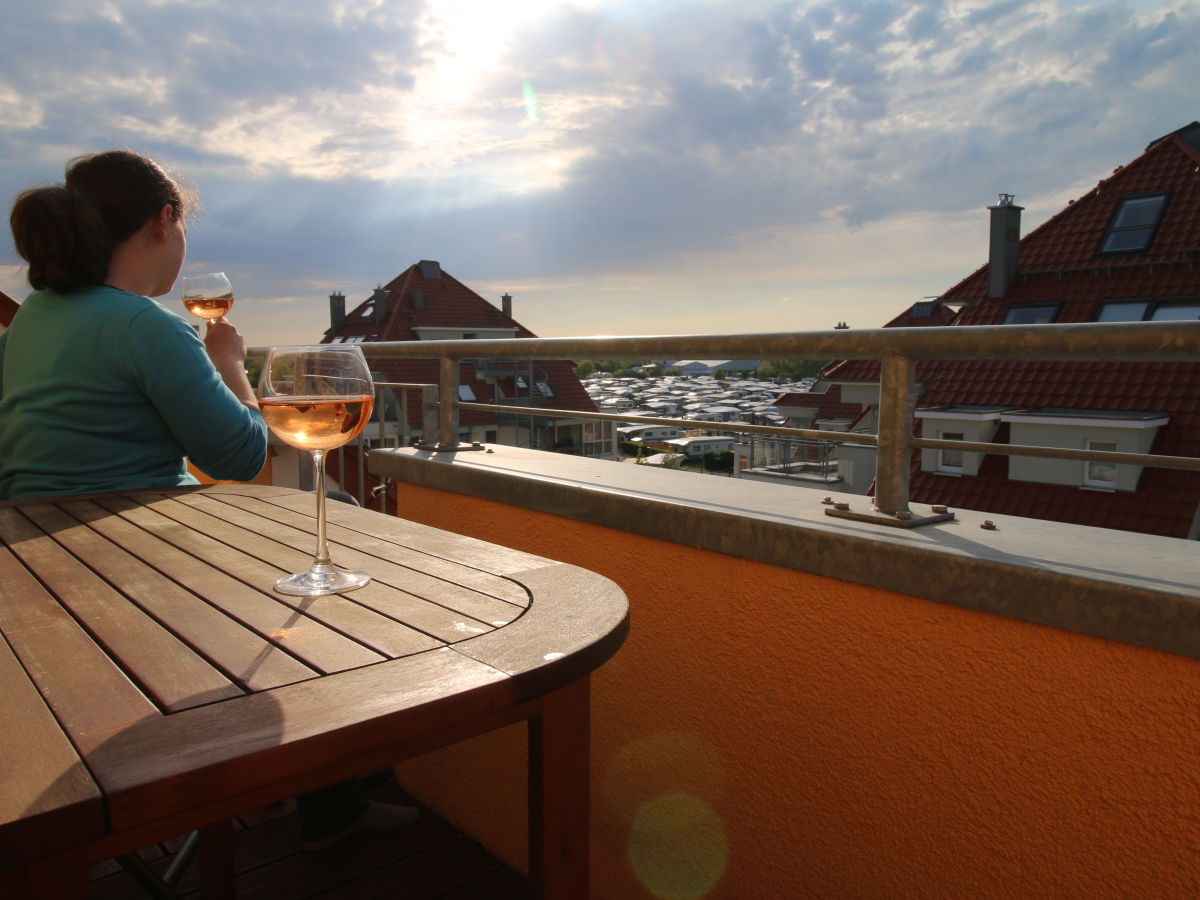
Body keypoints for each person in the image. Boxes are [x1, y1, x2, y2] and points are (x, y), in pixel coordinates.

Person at [0, 149, 415, 850]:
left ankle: (274, 780)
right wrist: (230, 366)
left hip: (39, 568)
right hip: (137, 569)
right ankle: (320, 802)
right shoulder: (147, 327)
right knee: (320, 571)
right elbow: (239, 455)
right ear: (164, 223)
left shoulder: (31, 319)